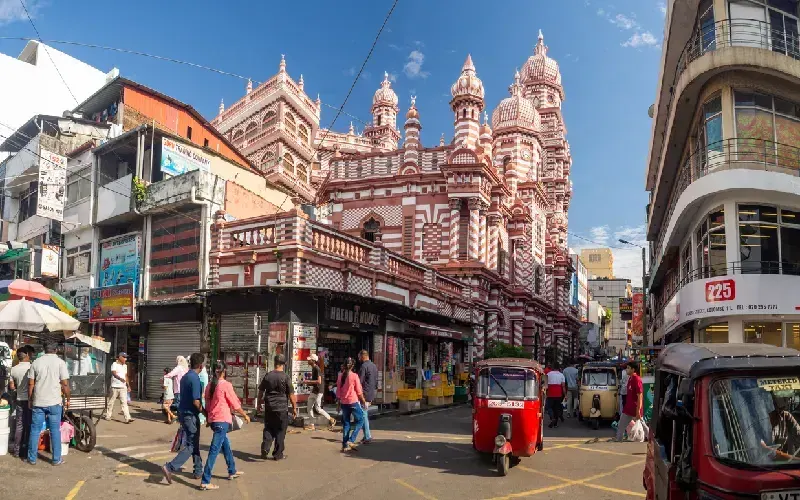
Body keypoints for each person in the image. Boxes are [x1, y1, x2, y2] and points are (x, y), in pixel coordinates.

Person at [199, 360, 249, 491]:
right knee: (214, 450)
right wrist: (245, 415)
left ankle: (232, 470)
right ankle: (205, 480)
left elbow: (208, 404)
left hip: (215, 421)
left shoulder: (210, 385)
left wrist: (209, 419)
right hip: (222, 421)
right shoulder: (225, 385)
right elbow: (235, 403)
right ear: (224, 371)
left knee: (225, 445)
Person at [162, 353, 205, 484]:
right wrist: (206, 413)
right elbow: (196, 401)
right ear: (200, 365)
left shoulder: (185, 376)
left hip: (184, 414)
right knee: (191, 445)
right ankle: (170, 467)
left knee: (194, 443)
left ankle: (198, 470)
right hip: (190, 415)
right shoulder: (195, 378)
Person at [27, 342, 70, 465]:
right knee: (55, 430)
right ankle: (56, 459)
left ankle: (32, 458)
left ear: (44, 350)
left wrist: (30, 400)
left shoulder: (36, 362)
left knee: (35, 430)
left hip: (38, 401)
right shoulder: (61, 363)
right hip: (54, 402)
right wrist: (68, 399)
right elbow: (65, 384)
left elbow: (31, 384)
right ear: (55, 350)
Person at [257, 354, 297, 460]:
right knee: (280, 431)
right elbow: (291, 395)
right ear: (284, 364)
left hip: (269, 407)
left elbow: (261, 391)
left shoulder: (268, 375)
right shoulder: (286, 377)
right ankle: (277, 454)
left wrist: (258, 405)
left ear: (274, 363)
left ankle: (265, 447)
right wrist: (294, 408)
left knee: (268, 428)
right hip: (281, 409)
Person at [337, 357, 367, 453]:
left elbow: (338, 391)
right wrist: (363, 401)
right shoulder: (354, 376)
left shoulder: (340, 376)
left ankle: (345, 445)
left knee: (346, 424)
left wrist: (338, 404)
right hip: (353, 401)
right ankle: (351, 440)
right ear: (353, 366)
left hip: (344, 403)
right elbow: (359, 391)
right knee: (361, 419)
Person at [9, 346, 33, 458]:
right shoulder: (32, 367)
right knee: (29, 425)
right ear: (27, 355)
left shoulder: (13, 369)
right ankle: (27, 450)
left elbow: (12, 386)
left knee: (19, 425)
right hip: (30, 400)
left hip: (19, 400)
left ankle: (17, 451)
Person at [304, 354, 335, 431]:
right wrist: (309, 383)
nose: (308, 361)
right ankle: (312, 424)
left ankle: (331, 419)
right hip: (315, 390)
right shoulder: (314, 368)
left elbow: (319, 381)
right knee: (309, 407)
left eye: (309, 359)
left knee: (317, 408)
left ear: (313, 361)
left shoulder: (317, 369)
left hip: (318, 391)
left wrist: (308, 381)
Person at [615, 362, 643, 442]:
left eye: (628, 368)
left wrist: (638, 411)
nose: (626, 370)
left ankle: (651, 439)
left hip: (635, 408)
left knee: (643, 425)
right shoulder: (630, 379)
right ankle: (618, 439)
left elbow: (640, 396)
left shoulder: (637, 379)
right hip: (628, 408)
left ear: (633, 369)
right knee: (621, 425)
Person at [104, 352, 133, 423]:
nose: (125, 359)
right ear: (120, 357)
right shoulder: (114, 364)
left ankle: (128, 418)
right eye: (124, 357)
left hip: (123, 387)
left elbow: (126, 376)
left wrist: (128, 385)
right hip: (114, 386)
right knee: (111, 402)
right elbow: (113, 373)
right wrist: (120, 378)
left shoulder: (125, 366)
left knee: (124, 403)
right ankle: (108, 415)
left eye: (126, 357)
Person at [358, 349, 378, 444]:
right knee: (364, 413)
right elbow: (376, 380)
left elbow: (359, 381)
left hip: (364, 394)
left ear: (363, 356)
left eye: (359, 357)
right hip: (371, 393)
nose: (359, 358)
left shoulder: (364, 366)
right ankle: (366, 435)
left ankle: (367, 436)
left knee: (363, 414)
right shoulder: (374, 366)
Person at [545, 364, 566, 428]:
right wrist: (565, 395)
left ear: (553, 368)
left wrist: (545, 392)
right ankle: (556, 423)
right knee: (556, 408)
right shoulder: (561, 375)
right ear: (559, 368)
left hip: (550, 393)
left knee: (549, 406)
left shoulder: (548, 374)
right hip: (558, 393)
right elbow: (563, 386)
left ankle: (552, 417)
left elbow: (545, 384)